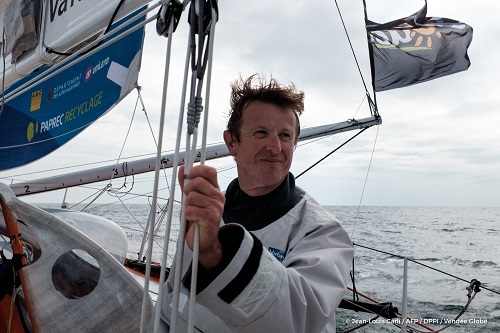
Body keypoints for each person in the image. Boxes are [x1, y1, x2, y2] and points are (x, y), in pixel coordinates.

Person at [150, 74, 354, 332]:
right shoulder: (205, 212)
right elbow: (170, 302)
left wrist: (216, 255)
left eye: (285, 135)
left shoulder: (322, 231)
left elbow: (299, 318)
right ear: (231, 142)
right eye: (261, 132)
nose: (275, 146)